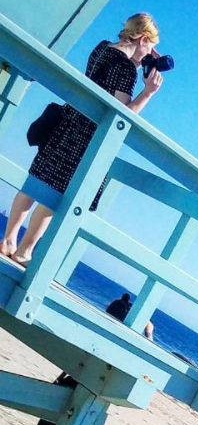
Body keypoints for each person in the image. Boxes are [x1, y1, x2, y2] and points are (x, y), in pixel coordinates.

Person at [2, 14, 165, 266]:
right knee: (55, 193)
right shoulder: (124, 70)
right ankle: (24, 251)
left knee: (36, 180)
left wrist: (139, 60)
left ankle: (8, 239)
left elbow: (105, 80)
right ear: (143, 38)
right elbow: (119, 115)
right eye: (150, 46)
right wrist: (148, 93)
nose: (151, 53)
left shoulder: (102, 48)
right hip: (86, 136)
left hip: (67, 121)